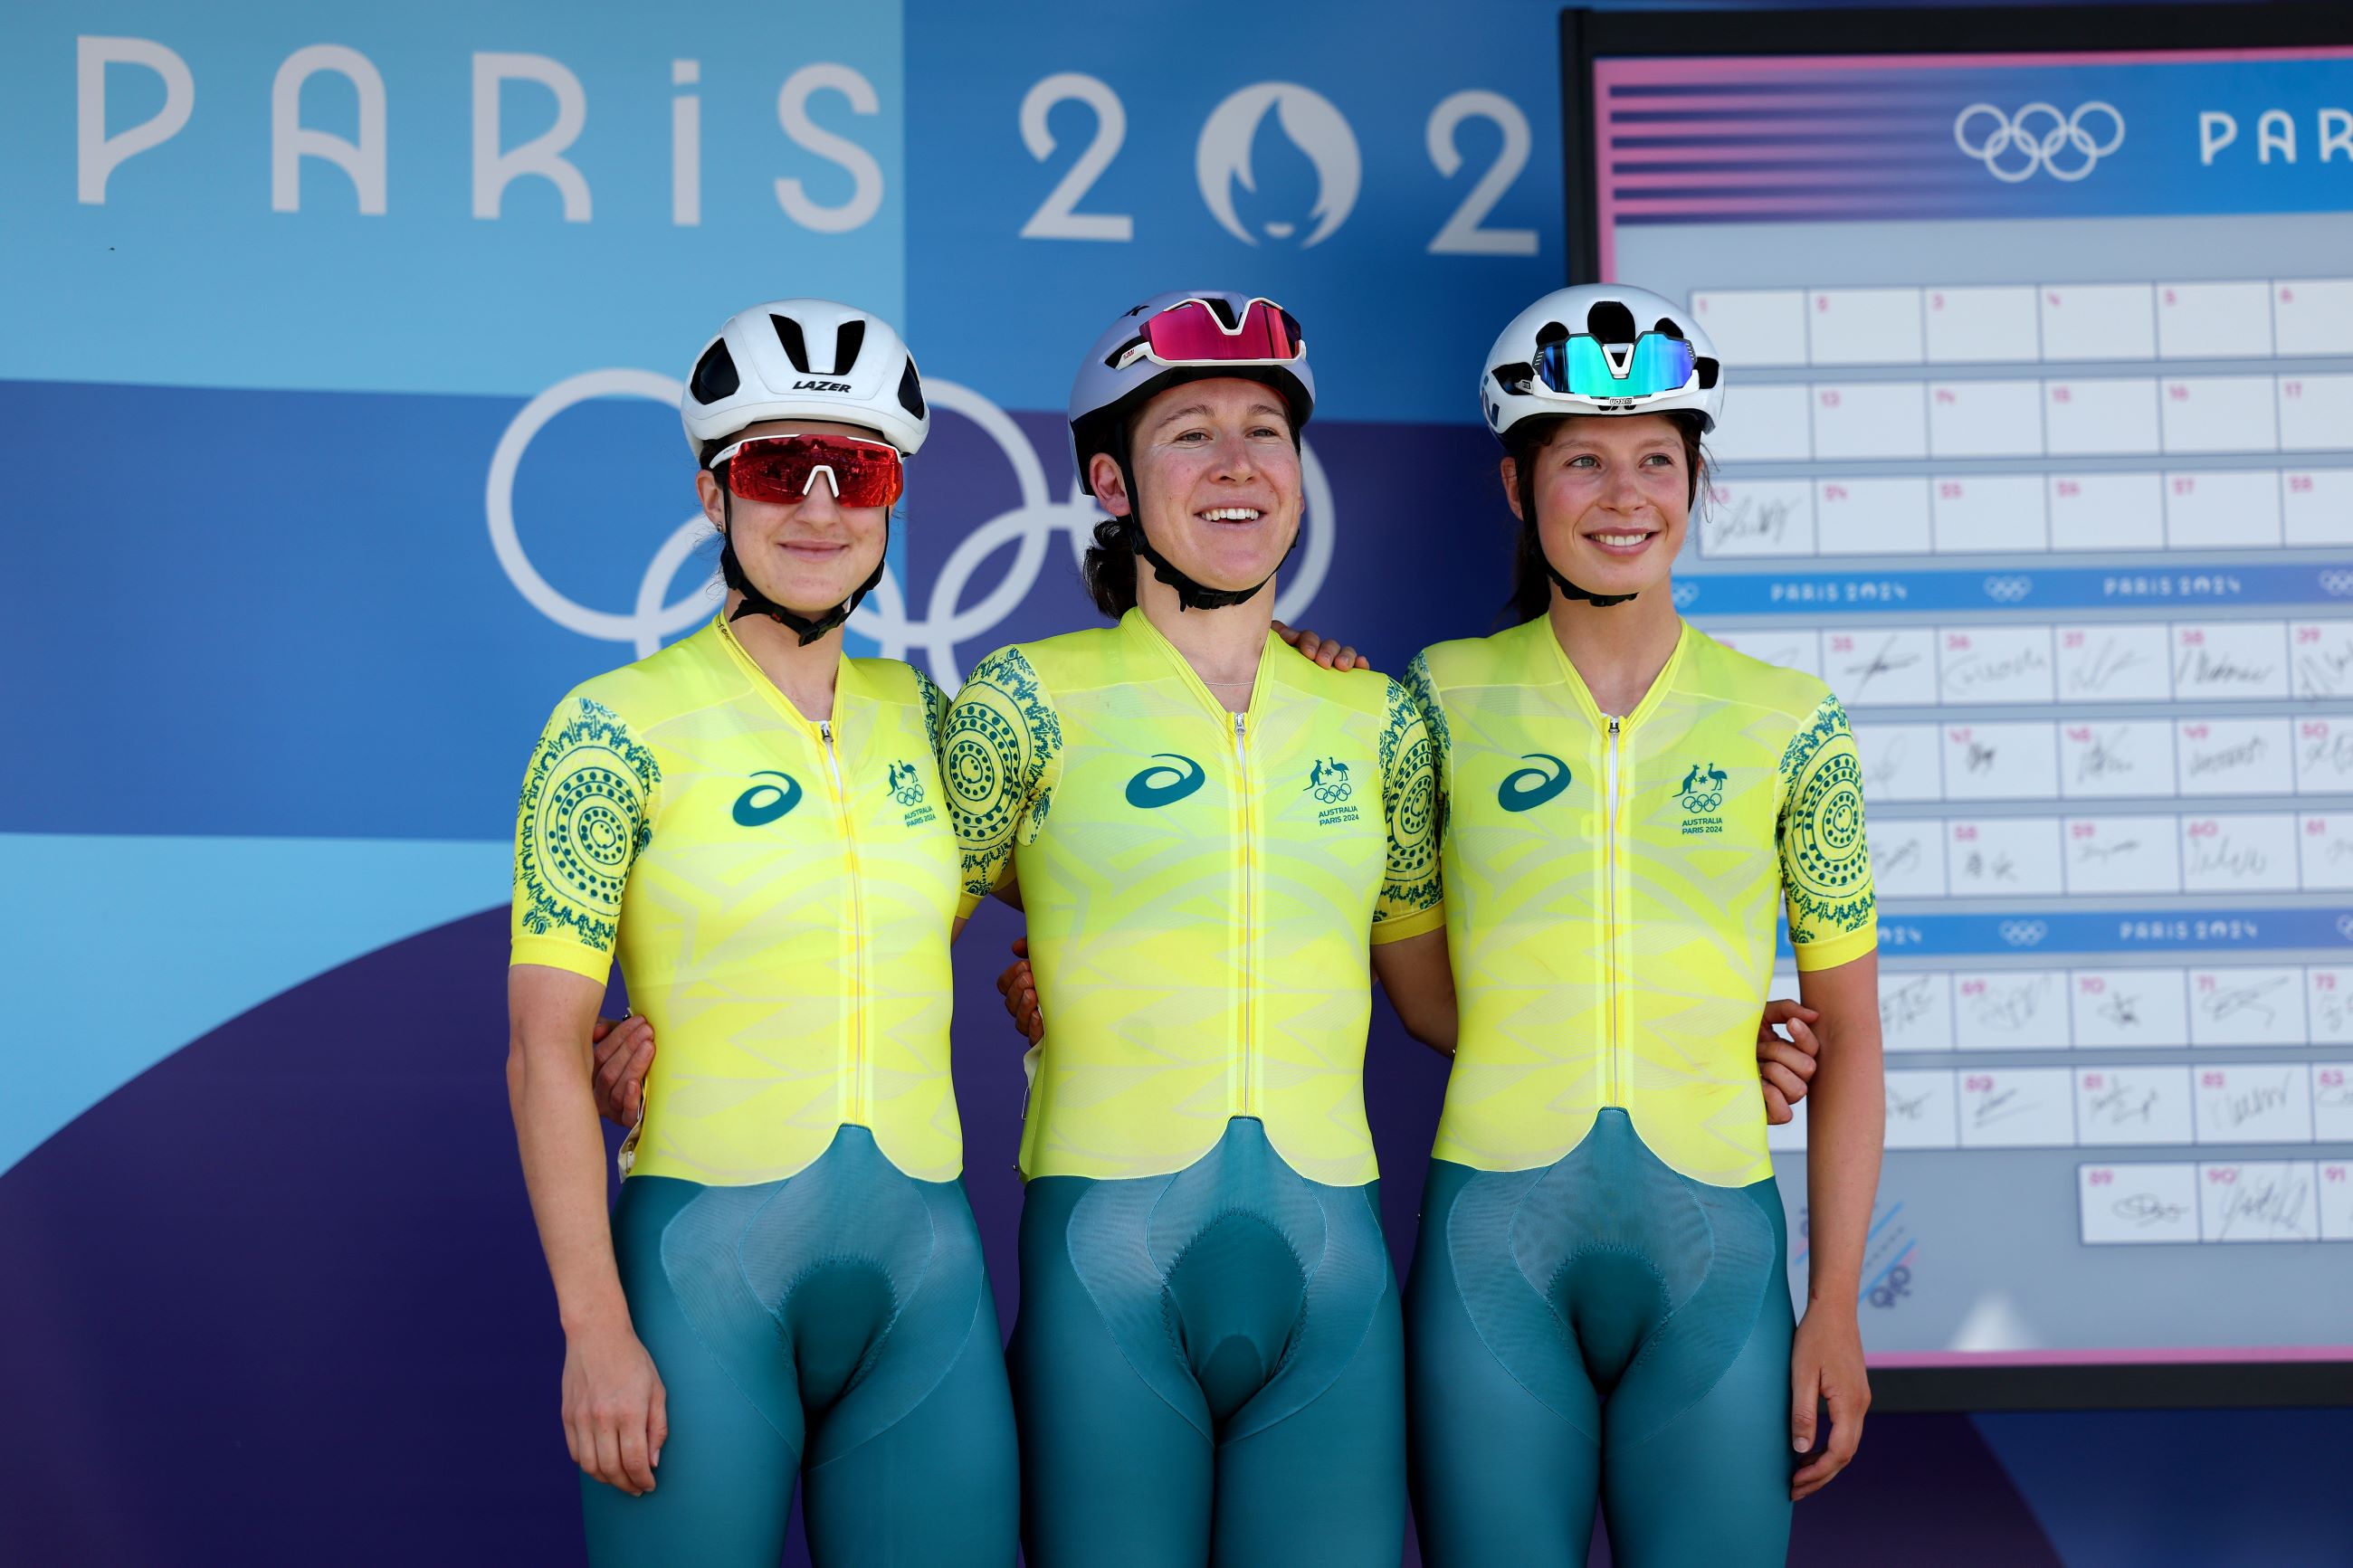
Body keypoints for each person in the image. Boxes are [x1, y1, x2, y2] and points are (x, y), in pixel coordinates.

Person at [504, 299, 1017, 1567]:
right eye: (781, 466)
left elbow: (1120, 867)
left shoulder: (937, 719)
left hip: (926, 1283)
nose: (821, 506)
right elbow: (541, 1052)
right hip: (698, 1284)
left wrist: (1280, 648)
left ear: (895, 498)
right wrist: (594, 1327)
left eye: (863, 472)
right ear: (712, 491)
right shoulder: (612, 726)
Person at [1398, 283, 1885, 1567]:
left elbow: (1855, 1046)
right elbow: (1414, 992)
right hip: (1492, 1249)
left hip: (1715, 1256)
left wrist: (1834, 1303)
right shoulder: (1434, 699)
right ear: (1519, 487)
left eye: (1658, 461)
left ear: (1697, 480)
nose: (1626, 495)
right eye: (1584, 462)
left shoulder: (1794, 720)